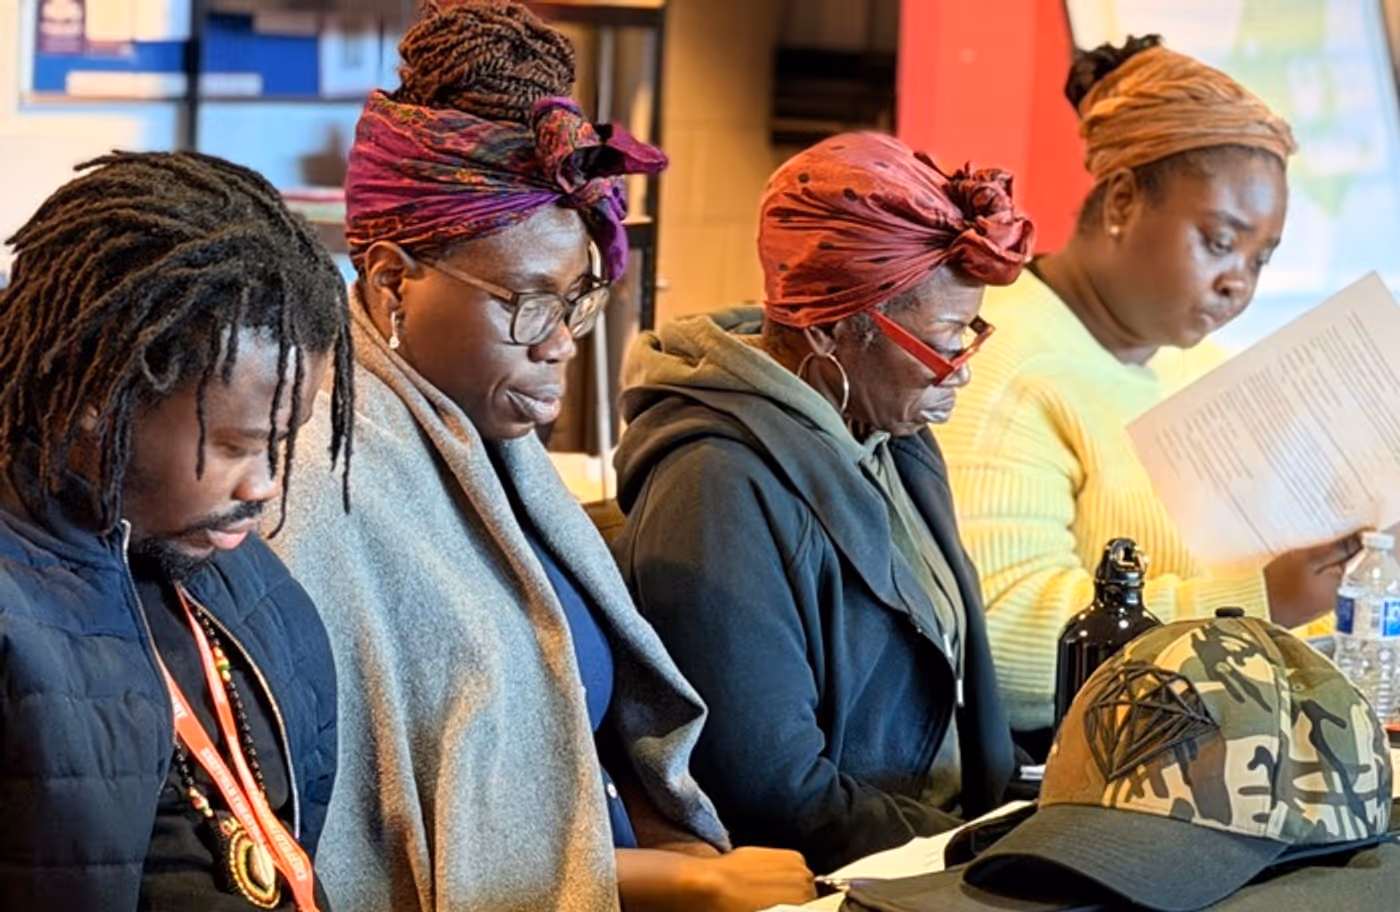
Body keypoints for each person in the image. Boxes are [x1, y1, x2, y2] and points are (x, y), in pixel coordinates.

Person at [269, 3, 815, 910]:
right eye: (526, 303)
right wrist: (683, 883)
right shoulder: (322, 487)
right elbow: (379, 864)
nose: (561, 343)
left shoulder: (491, 445)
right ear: (396, 279)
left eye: (578, 300)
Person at [610, 131, 1035, 872]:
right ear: (836, 331)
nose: (962, 372)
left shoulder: (888, 431)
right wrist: (982, 857)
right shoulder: (712, 486)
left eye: (972, 334)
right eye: (945, 340)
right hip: (848, 880)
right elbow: (772, 791)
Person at [937, 34, 1364, 745]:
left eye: (1261, 259)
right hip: (1078, 785)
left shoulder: (1197, 367)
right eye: (1220, 242)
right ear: (1125, 200)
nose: (1240, 282)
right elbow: (1005, 650)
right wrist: (1262, 601)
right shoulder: (1006, 366)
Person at [0, 151, 355, 910]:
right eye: (233, 445)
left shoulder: (244, 578)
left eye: (281, 443)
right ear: (102, 397)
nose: (264, 486)